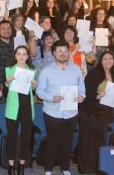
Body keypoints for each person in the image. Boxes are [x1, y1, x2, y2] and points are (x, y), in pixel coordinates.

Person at [36, 40, 85, 175]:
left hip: (71, 113)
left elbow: (81, 87)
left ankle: (65, 168)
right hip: (52, 113)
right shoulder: (46, 71)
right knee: (52, 142)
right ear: (53, 53)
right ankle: (48, 169)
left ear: (69, 52)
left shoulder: (76, 69)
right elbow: (39, 92)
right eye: (59, 50)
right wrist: (52, 98)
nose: (62, 53)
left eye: (65, 50)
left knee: (67, 142)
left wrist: (81, 96)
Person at [78, 51, 114, 174]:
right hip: (89, 111)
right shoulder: (94, 73)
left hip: (103, 112)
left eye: (110, 59)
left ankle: (97, 167)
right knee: (87, 140)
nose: (108, 61)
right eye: (105, 59)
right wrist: (98, 95)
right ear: (100, 60)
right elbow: (87, 91)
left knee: (99, 140)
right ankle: (85, 168)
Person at [5, 46, 37, 175]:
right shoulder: (9, 69)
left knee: (26, 137)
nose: (22, 56)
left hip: (27, 107)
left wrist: (34, 86)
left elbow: (32, 90)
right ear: (15, 56)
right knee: (11, 137)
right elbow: (6, 87)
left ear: (28, 56)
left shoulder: (32, 70)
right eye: (19, 54)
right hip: (13, 107)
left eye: (24, 54)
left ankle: (22, 165)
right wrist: (7, 82)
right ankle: (11, 166)